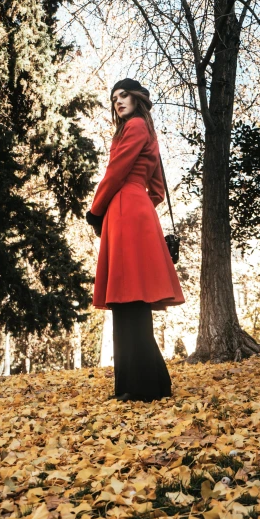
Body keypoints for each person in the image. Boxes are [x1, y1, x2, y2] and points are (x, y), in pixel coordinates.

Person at [86, 78, 185, 401]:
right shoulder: (147, 130)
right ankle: (145, 384)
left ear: (137, 97)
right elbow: (155, 189)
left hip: (125, 211)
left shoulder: (136, 126)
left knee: (127, 298)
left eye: (123, 95)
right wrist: (138, 204)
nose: (117, 101)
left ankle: (138, 385)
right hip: (135, 211)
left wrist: (97, 209)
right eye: (114, 97)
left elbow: (116, 171)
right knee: (130, 300)